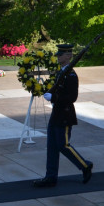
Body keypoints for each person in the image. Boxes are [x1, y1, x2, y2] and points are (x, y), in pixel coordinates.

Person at [33, 44, 93, 187]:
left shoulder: (71, 75)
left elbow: (72, 97)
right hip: (57, 114)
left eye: (61, 55)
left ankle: (85, 165)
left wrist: (53, 98)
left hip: (65, 115)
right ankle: (50, 177)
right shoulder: (61, 72)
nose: (58, 57)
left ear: (68, 56)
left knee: (63, 145)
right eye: (58, 54)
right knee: (52, 147)